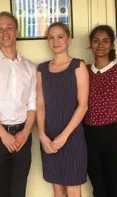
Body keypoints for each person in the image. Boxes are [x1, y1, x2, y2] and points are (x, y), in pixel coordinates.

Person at [0, 11, 37, 197]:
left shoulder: (30, 67)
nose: (5, 32)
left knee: (19, 190)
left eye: (9, 27)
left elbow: (32, 103)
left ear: (16, 31)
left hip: (23, 136)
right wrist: (4, 136)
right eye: (0, 29)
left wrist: (25, 132)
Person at [36, 22, 89, 197]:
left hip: (72, 137)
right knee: (57, 190)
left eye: (60, 37)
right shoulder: (42, 69)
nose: (55, 41)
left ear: (68, 39)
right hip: (49, 139)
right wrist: (42, 136)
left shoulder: (78, 65)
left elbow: (83, 105)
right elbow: (40, 104)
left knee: (73, 190)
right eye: (51, 37)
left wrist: (64, 136)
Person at [83, 25, 117, 197]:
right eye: (96, 41)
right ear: (90, 45)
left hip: (115, 136)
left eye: (105, 41)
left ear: (112, 45)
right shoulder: (84, 71)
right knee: (99, 189)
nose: (100, 45)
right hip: (89, 137)